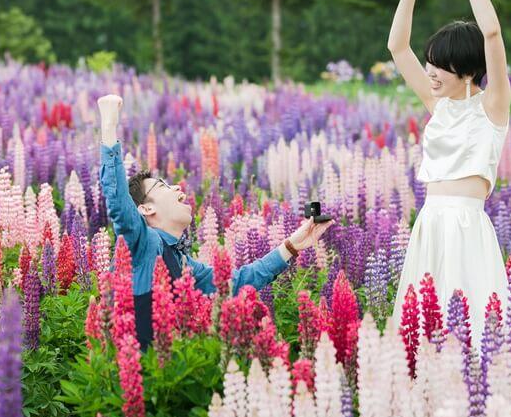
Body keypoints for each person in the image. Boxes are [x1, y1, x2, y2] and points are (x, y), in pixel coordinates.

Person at [98, 93, 334, 350]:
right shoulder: (142, 243)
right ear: (145, 208)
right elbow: (119, 204)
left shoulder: (183, 262)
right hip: (133, 374)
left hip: (166, 375)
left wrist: (293, 245)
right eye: (162, 185)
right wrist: (109, 127)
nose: (177, 186)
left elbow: (237, 281)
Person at [387, 0, 511, 348]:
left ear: (469, 71)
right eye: (430, 63)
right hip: (430, 223)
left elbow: (491, 34)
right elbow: (397, 46)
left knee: (471, 327)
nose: (431, 72)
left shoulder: (492, 107)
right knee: (421, 327)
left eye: (441, 66)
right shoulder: (438, 105)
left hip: (465, 226)